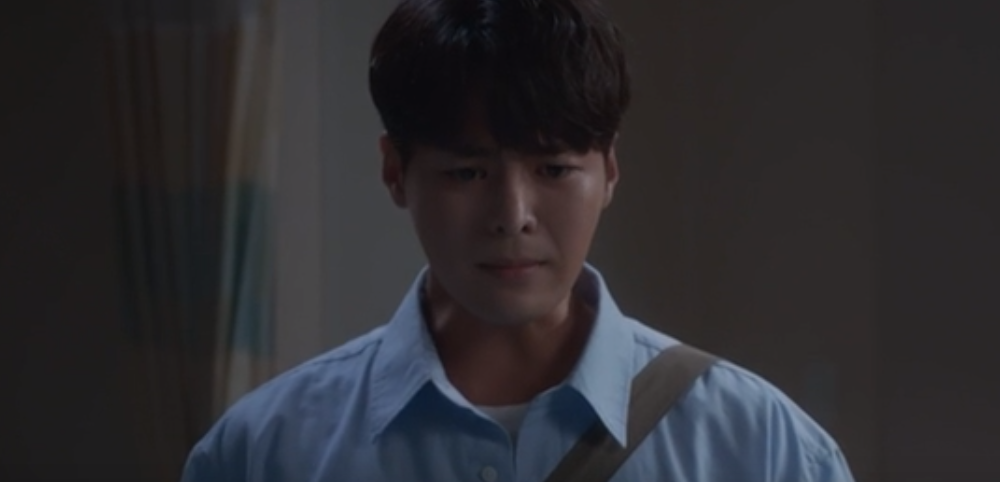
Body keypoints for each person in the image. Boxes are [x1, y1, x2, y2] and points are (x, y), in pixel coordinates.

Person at [181, 0, 855, 480]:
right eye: (466, 172)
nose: (512, 215)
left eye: (553, 169)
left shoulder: (760, 448)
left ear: (609, 171)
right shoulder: (267, 451)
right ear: (394, 171)